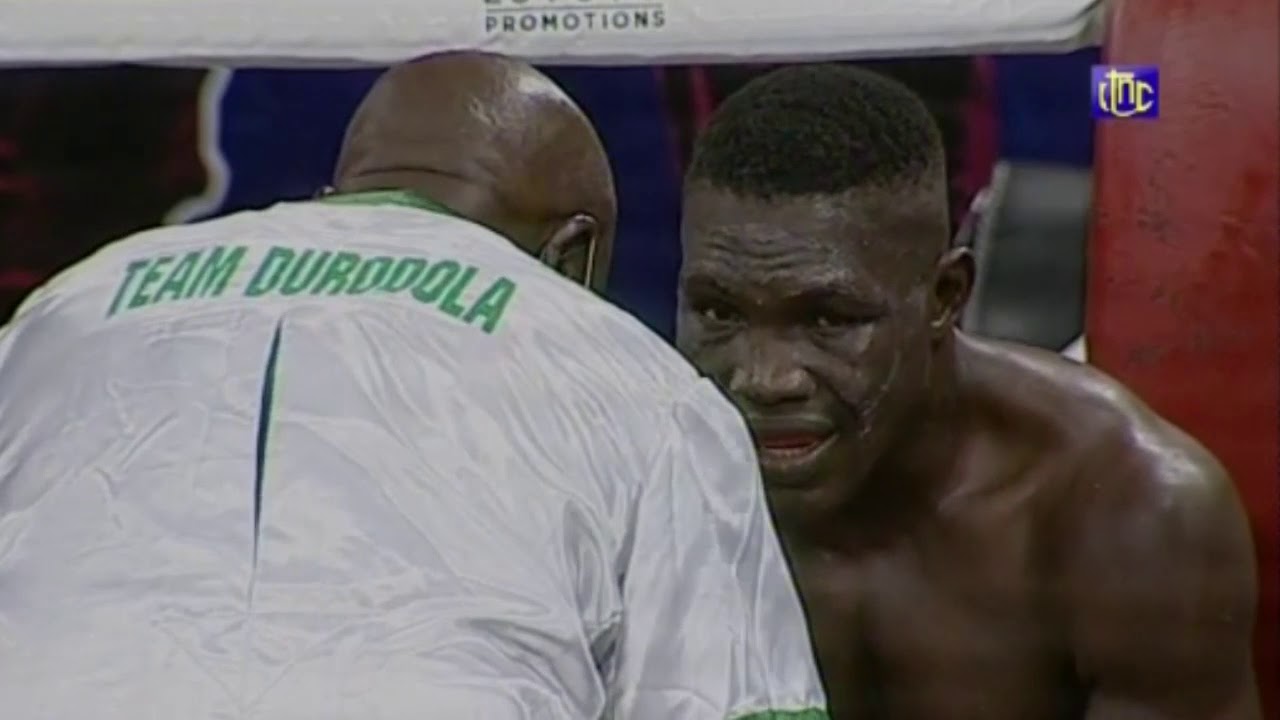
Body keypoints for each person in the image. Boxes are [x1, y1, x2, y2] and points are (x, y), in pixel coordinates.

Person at [0, 53, 829, 720]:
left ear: (341, 197)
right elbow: (728, 698)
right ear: (573, 256)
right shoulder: (637, 378)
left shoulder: (71, 303)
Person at [676, 64, 1260, 720]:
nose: (764, 378)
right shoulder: (633, 476)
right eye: (719, 313)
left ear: (945, 297)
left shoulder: (1126, 511)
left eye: (829, 319)